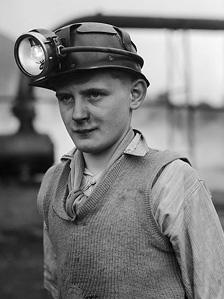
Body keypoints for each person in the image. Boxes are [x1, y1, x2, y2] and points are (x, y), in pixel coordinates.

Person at [14, 22, 224, 298]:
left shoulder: (170, 183)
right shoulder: (53, 184)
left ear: (135, 94)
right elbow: (57, 286)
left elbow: (212, 290)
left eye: (94, 95)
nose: (78, 114)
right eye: (66, 98)